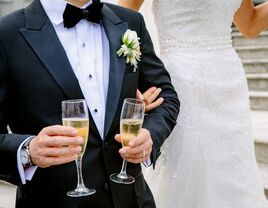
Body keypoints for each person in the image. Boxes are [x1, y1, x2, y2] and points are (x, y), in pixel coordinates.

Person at [0, 0, 180, 207]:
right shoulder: (6, 35)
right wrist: (28, 152)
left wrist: (150, 135)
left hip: (133, 200)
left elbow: (166, 96)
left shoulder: (130, 21)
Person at [118, 0, 268, 207]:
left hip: (230, 86)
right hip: (183, 82)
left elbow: (250, 24)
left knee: (235, 174)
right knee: (189, 171)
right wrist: (129, 78)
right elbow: (121, 18)